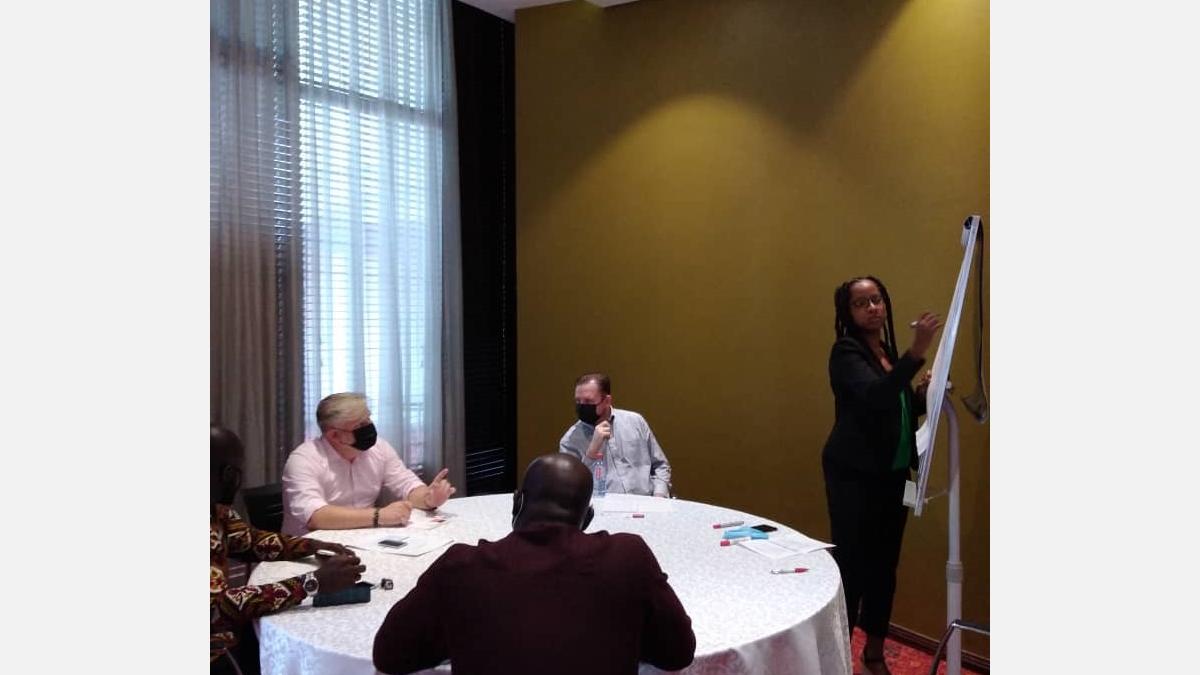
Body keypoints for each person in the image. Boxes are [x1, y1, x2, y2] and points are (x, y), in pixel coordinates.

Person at [372, 454, 696, 675]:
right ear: (587, 518)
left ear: (518, 502)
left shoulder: (461, 566)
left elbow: (390, 655)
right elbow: (677, 653)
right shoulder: (627, 558)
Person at [821, 276, 941, 675]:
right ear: (848, 312)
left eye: (877, 299)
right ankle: (837, 658)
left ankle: (873, 654)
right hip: (855, 476)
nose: (872, 308)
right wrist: (918, 352)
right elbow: (875, 397)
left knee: (885, 568)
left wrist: (923, 395)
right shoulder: (846, 352)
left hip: (894, 476)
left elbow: (897, 407)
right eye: (861, 303)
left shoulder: (886, 351)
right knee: (853, 566)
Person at [210, 424, 365, 675]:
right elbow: (219, 608)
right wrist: (312, 582)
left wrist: (310, 545)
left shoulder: (215, 509)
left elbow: (248, 541)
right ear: (229, 475)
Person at [281, 392, 457, 536]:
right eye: (361, 424)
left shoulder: (379, 448)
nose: (370, 428)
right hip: (308, 548)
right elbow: (315, 516)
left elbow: (406, 483)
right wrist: (379, 515)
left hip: (363, 539)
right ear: (334, 435)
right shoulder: (303, 460)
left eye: (369, 419)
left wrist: (428, 498)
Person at [559, 373, 672, 497]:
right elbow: (571, 487)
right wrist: (591, 453)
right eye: (578, 401)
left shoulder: (635, 422)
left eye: (588, 401)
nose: (582, 406)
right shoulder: (570, 440)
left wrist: (659, 496)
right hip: (602, 506)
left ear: (607, 401)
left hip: (646, 501)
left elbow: (660, 465)